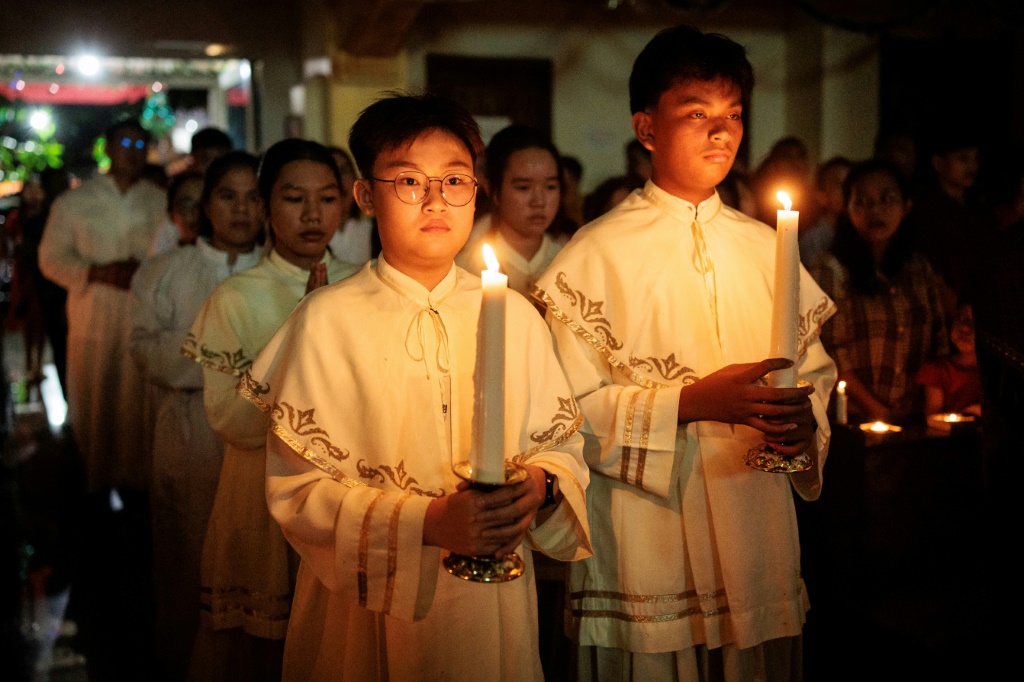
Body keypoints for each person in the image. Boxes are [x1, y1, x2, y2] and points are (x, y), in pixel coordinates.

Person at [244, 94, 592, 681]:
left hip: (492, 602)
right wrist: (428, 525)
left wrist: (539, 486)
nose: (436, 200)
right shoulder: (327, 320)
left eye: (455, 179)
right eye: (409, 180)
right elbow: (298, 494)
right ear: (364, 196)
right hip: (364, 604)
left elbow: (563, 446)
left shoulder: (515, 316)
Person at [533, 26, 837, 680]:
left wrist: (805, 426)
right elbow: (563, 414)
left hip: (756, 518)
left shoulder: (767, 249)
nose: (722, 134)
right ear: (646, 127)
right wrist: (690, 403)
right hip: (647, 537)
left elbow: (812, 377)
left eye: (732, 117)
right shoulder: (596, 253)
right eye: (697, 115)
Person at [183, 140, 359, 680]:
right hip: (259, 489)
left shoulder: (364, 283)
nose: (312, 214)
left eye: (327, 198)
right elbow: (233, 422)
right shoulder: (236, 297)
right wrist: (301, 326)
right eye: (293, 198)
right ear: (263, 207)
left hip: (346, 492)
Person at [130, 152, 263, 681]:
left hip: (260, 443)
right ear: (207, 207)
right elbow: (145, 349)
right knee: (189, 556)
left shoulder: (280, 273)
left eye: (254, 197)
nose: (242, 210)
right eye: (228, 197)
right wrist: (233, 364)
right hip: (189, 435)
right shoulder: (167, 271)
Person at [38, 118, 166, 495]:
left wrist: (142, 273)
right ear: (107, 148)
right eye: (124, 141)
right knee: (96, 398)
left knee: (139, 402)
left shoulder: (160, 201)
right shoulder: (75, 201)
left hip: (144, 315)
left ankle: (138, 488)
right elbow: (50, 259)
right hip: (93, 317)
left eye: (140, 144)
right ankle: (94, 483)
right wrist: (97, 272)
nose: (132, 150)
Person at [811, 159, 947, 424]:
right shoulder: (831, 269)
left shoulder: (919, 268)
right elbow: (831, 351)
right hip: (852, 419)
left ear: (906, 205)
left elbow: (938, 343)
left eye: (887, 199)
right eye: (862, 201)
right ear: (847, 209)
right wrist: (878, 410)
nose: (875, 210)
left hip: (916, 417)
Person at [457, 125, 564, 297]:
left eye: (550, 186)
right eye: (523, 187)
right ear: (493, 191)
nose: (539, 201)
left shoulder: (569, 262)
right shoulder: (466, 271)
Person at [150, 128, 234, 256]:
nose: (212, 169)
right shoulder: (175, 219)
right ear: (193, 159)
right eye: (206, 160)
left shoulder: (238, 208)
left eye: (220, 162)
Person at [915, 303, 982, 416]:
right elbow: (933, 418)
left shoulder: (998, 373)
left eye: (973, 323)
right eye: (959, 318)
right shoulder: (938, 371)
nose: (964, 328)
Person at [326, 145, 376, 263]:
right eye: (332, 171)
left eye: (344, 171)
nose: (339, 179)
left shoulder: (376, 232)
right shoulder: (311, 237)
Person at [799, 157, 852, 267]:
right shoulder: (813, 239)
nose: (847, 190)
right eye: (839, 184)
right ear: (821, 196)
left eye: (850, 183)